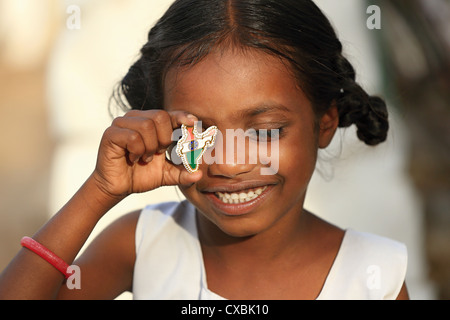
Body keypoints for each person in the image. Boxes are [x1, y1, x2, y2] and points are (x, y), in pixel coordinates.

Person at [0, 0, 408, 300]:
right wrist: (99, 191)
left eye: (265, 131)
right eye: (195, 133)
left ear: (326, 123)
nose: (228, 164)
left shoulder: (375, 275)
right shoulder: (142, 243)